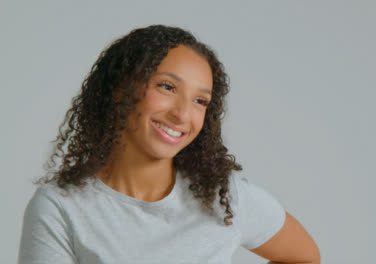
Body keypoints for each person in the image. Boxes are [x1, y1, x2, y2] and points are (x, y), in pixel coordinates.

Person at [17, 25, 320, 264]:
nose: (182, 114)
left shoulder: (225, 196)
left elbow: (305, 257)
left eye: (200, 101)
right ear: (120, 89)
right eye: (167, 87)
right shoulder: (60, 206)